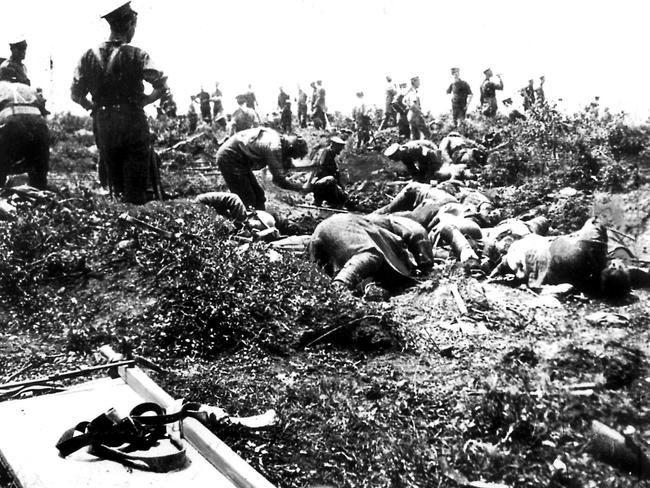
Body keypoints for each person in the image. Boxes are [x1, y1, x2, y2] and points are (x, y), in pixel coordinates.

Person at [71, 1, 169, 204]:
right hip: (132, 120)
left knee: (114, 181)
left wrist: (94, 108)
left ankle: (119, 219)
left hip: (104, 123)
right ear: (130, 24)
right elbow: (162, 85)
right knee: (136, 182)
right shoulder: (137, 54)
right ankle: (136, 218)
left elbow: (75, 94)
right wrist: (146, 100)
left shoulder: (88, 56)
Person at [308, 213, 433, 291]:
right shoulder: (397, 221)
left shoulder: (374, 222)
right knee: (371, 256)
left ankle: (334, 288)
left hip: (324, 234)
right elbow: (418, 233)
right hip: (339, 225)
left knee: (320, 281)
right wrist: (425, 264)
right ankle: (338, 287)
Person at [216, 127, 309, 210]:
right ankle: (244, 225)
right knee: (247, 199)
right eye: (292, 156)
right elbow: (279, 180)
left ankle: (260, 221)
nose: (289, 158)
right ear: (290, 149)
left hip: (240, 160)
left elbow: (286, 161)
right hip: (230, 157)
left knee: (259, 196)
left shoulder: (279, 140)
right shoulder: (274, 146)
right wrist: (300, 188)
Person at [0, 81, 49, 189]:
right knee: (39, 178)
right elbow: (44, 112)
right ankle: (40, 194)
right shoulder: (27, 88)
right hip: (38, 127)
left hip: (10, 126)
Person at [308, 136, 347, 207]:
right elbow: (321, 167)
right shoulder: (325, 152)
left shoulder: (333, 155)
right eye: (339, 148)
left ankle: (332, 202)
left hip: (327, 184)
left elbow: (336, 173)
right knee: (330, 180)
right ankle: (322, 201)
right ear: (334, 146)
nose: (340, 150)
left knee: (343, 197)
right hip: (320, 183)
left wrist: (341, 188)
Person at [404, 76, 430, 140]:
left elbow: (405, 102)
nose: (419, 83)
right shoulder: (413, 93)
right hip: (416, 116)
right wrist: (422, 113)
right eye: (418, 81)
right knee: (428, 134)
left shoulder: (409, 92)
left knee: (415, 137)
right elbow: (412, 105)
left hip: (410, 116)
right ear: (414, 82)